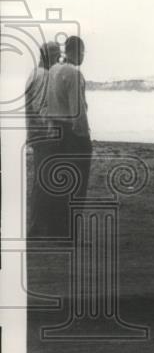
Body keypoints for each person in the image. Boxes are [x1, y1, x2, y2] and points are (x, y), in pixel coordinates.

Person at [43, 36, 92, 237]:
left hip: (55, 131)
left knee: (59, 184)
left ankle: (56, 230)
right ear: (76, 51)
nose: (83, 57)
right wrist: (85, 136)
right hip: (72, 134)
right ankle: (68, 233)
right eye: (82, 53)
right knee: (77, 185)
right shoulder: (73, 73)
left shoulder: (53, 70)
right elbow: (77, 111)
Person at [25, 41, 61, 237]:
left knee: (42, 179)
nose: (58, 59)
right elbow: (42, 108)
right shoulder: (44, 76)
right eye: (56, 54)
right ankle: (36, 227)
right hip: (44, 135)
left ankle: (38, 225)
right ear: (49, 56)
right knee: (43, 180)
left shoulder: (34, 73)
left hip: (36, 134)